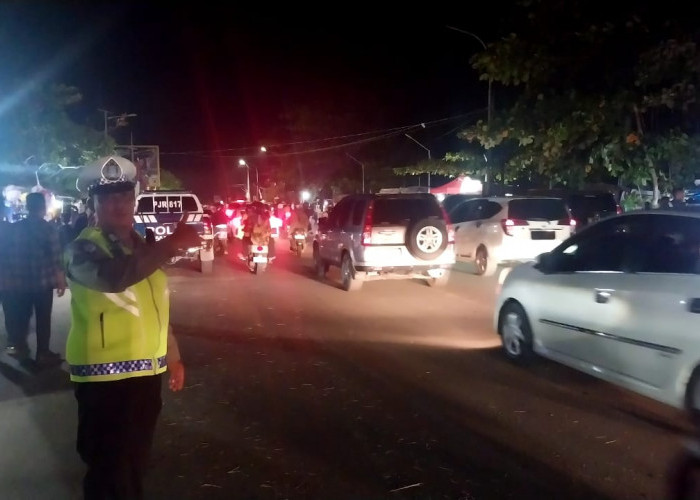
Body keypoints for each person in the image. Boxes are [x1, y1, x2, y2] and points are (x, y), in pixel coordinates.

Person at [64, 157, 201, 499]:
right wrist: (171, 244)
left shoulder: (143, 248)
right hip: (102, 378)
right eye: (107, 198)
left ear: (135, 201)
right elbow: (115, 277)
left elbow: (155, 307)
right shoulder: (83, 247)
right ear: (92, 205)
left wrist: (173, 356)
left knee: (135, 464)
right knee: (109, 469)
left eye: (125, 197)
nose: (118, 205)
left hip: (145, 375)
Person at [2, 192, 66, 366]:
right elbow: (55, 258)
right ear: (43, 207)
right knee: (43, 320)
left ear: (28, 207)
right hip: (42, 284)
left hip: (20, 283)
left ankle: (20, 347)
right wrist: (60, 281)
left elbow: (7, 255)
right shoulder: (48, 229)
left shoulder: (15, 229)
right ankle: (43, 353)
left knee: (22, 316)